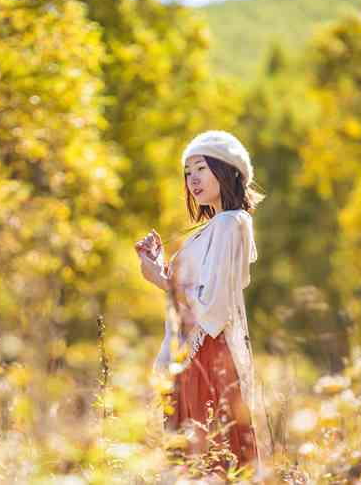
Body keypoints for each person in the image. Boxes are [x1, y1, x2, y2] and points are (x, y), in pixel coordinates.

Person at [134, 130, 266, 478]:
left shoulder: (228, 223)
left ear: (226, 170)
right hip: (199, 354)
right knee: (205, 462)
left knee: (206, 460)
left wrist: (158, 279)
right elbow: (199, 291)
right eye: (187, 171)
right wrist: (161, 267)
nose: (192, 179)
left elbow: (212, 308)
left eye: (201, 168)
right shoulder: (216, 227)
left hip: (206, 357)